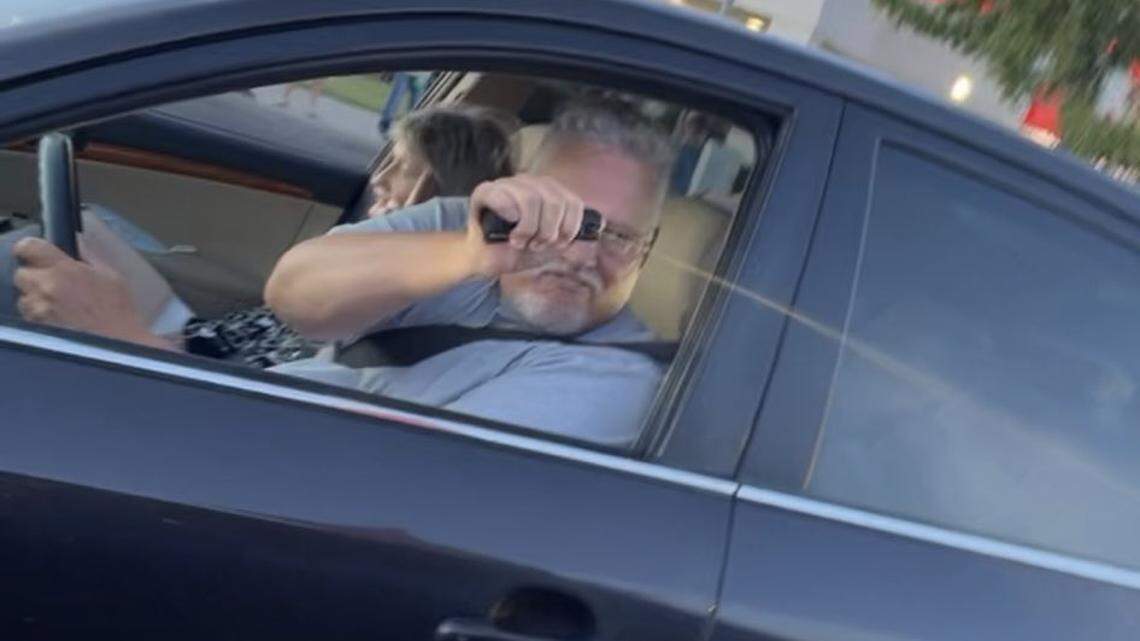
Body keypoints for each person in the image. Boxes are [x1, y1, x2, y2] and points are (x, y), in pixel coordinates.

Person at [264, 98, 675, 446]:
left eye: (618, 236)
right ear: (525, 192)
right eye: (565, 218)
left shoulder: (614, 379)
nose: (580, 255)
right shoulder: (463, 226)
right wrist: (466, 255)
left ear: (648, 248)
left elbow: (410, 477)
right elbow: (293, 296)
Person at [10, 104, 517, 367]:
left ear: (435, 192)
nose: (378, 181)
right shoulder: (349, 264)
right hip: (189, 341)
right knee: (79, 223)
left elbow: (248, 408)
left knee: (27, 253)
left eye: (399, 168)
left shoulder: (388, 299)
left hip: (181, 369)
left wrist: (125, 337)